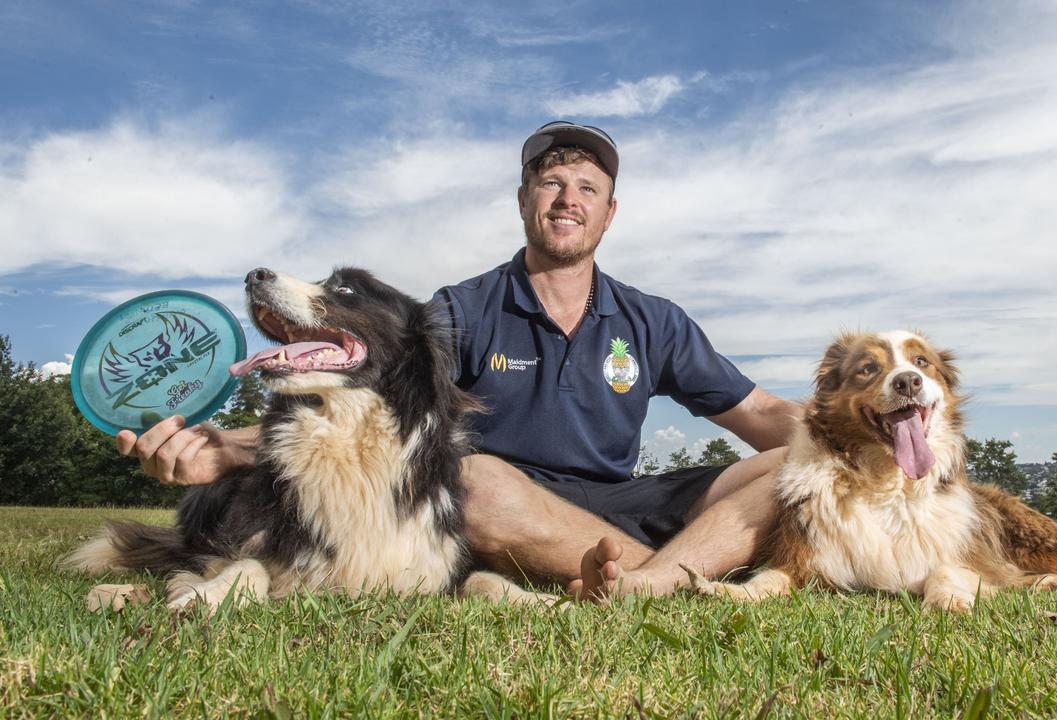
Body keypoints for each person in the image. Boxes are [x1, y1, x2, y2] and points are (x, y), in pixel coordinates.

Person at [117, 121, 802, 600]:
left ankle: (649, 580)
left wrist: (885, 440)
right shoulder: (464, 308)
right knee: (474, 480)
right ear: (523, 201)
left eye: (587, 188)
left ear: (609, 212)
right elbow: (376, 399)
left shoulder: (653, 319)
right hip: (512, 509)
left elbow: (765, 413)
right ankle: (688, 573)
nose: (568, 198)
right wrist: (225, 450)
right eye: (551, 182)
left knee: (803, 462)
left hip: (627, 502)